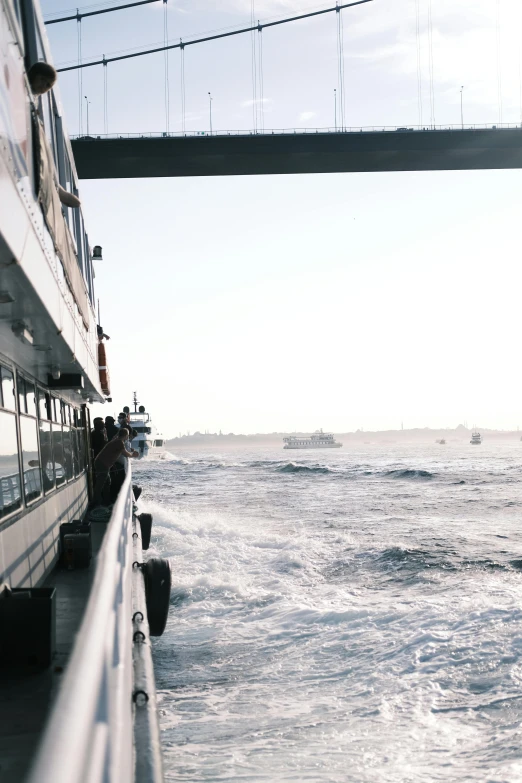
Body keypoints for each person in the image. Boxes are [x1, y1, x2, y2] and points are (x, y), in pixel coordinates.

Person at [28, 61, 81, 209]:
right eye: (42, 81)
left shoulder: (35, 98)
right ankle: (57, 188)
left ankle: (56, 185)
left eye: (48, 86)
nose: (43, 87)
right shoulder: (24, 91)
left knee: (45, 149)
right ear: (33, 75)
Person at [92, 428, 136, 507]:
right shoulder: (119, 442)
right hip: (102, 464)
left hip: (103, 464)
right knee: (100, 483)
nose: (128, 437)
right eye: (128, 435)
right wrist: (133, 455)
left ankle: (106, 501)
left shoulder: (117, 440)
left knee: (107, 482)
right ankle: (96, 502)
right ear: (126, 435)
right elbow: (125, 453)